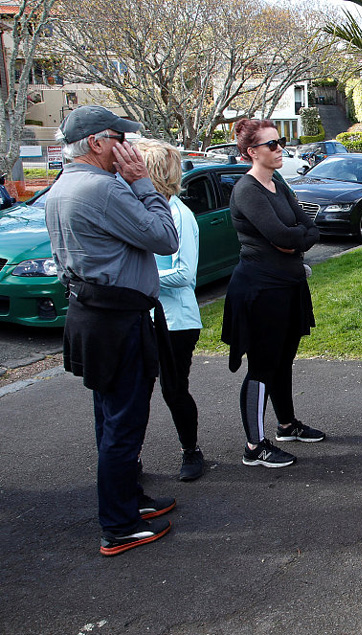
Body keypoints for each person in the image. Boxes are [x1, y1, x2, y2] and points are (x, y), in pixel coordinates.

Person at [44, 105, 179, 555]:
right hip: (117, 320)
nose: (130, 147)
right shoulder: (102, 189)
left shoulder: (63, 186)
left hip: (92, 313)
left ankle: (128, 501)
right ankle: (118, 525)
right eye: (122, 137)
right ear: (99, 142)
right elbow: (165, 237)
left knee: (109, 415)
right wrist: (143, 182)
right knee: (124, 421)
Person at [221, 119, 324, 469]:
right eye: (272, 144)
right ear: (252, 152)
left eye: (280, 142)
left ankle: (286, 425)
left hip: (289, 286)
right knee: (263, 367)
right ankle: (254, 446)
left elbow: (309, 228)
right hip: (260, 290)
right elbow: (283, 235)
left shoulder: (277, 182)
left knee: (283, 361)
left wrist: (295, 240)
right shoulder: (247, 190)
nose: (280, 149)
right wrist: (294, 239)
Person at [134, 139, 206, 481]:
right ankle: (130, 458)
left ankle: (191, 451)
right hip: (143, 317)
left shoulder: (179, 214)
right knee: (137, 390)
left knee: (173, 389)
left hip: (176, 321)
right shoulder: (144, 210)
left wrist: (139, 278)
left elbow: (184, 275)